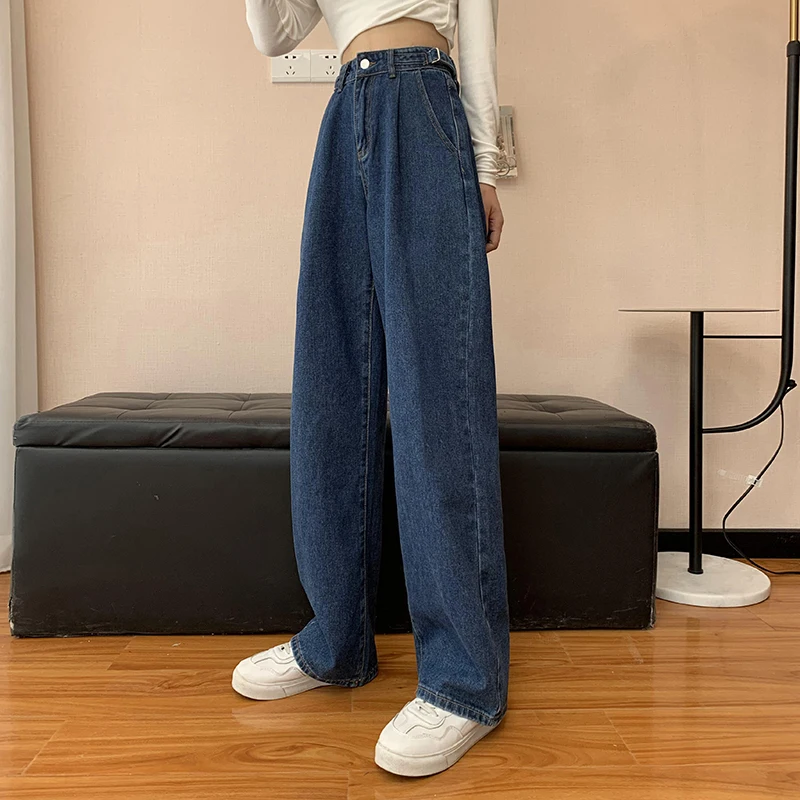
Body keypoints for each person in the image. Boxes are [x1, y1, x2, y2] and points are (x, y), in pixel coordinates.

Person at [233, 0, 509, 777]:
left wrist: (486, 167)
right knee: (330, 382)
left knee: (436, 395)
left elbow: (478, 32)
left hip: (424, 103)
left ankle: (464, 683)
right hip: (343, 109)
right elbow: (274, 34)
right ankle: (336, 641)